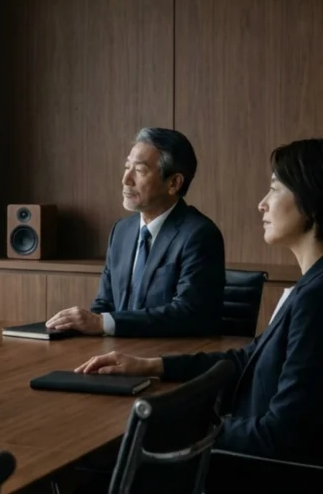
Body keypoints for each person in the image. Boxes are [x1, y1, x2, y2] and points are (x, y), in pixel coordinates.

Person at [76, 138, 323, 467]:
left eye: (274, 189)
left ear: (313, 202)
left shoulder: (315, 299)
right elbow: (245, 358)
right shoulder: (309, 286)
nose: (262, 204)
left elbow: (282, 434)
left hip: (252, 469)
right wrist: (152, 366)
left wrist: (185, 429)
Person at [46, 127, 225, 337]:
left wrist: (103, 323)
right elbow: (105, 304)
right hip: (117, 349)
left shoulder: (199, 235)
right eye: (126, 167)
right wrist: (80, 326)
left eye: (139, 170)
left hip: (168, 351)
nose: (126, 179)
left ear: (174, 183)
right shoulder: (122, 231)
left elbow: (187, 313)